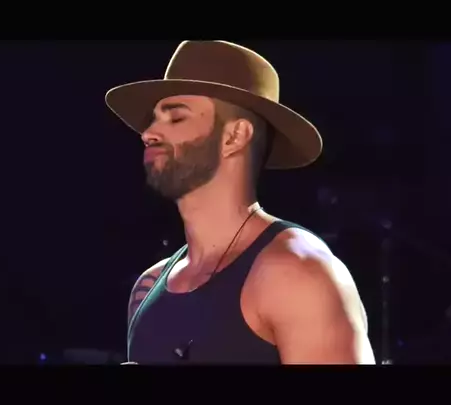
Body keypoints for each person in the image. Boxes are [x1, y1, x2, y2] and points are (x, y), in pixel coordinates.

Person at [105, 41, 375, 364]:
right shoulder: (147, 288)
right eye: (153, 119)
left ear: (235, 136)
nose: (148, 133)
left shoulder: (299, 274)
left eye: (175, 118)